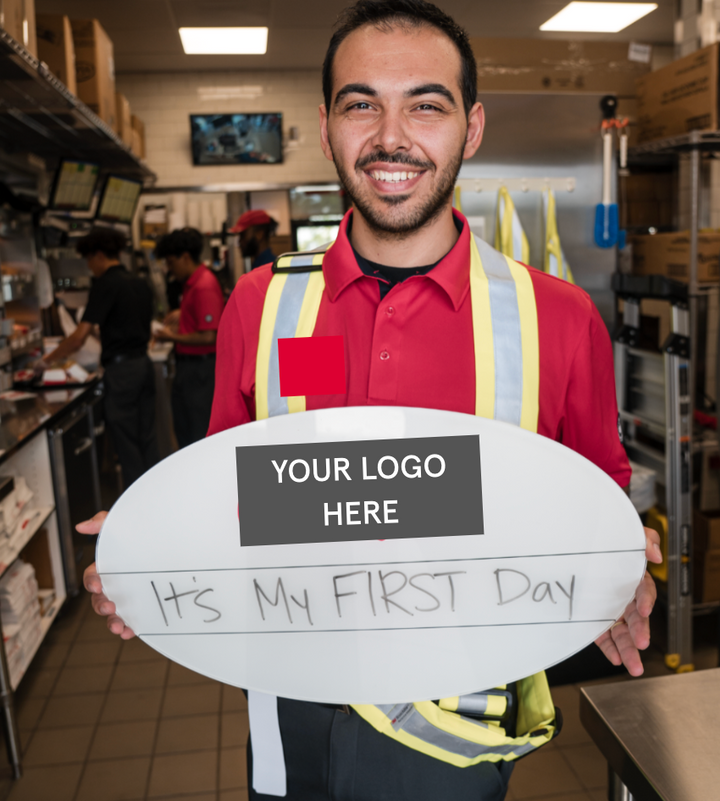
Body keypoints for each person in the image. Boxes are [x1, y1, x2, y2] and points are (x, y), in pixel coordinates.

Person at [81, 2, 661, 799]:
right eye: (363, 104)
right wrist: (157, 541)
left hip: (460, 723)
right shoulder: (259, 304)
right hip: (290, 704)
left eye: (426, 104)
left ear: (473, 126)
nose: (393, 136)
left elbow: (598, 500)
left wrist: (618, 569)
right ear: (327, 127)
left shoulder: (556, 317)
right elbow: (232, 492)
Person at [41, 227, 159, 489]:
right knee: (148, 438)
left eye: (88, 260)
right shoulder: (139, 282)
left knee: (126, 444)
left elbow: (77, 339)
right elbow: (130, 324)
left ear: (97, 255)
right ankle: (157, 497)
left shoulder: (105, 284)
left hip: (122, 374)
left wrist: (45, 361)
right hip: (144, 366)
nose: (89, 267)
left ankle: (135, 508)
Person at [154, 228, 225, 448]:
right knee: (186, 430)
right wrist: (182, 314)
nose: (169, 269)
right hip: (190, 371)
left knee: (198, 435)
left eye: (171, 262)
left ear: (185, 257)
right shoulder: (192, 284)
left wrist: (172, 336)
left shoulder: (203, 286)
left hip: (200, 373)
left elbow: (209, 336)